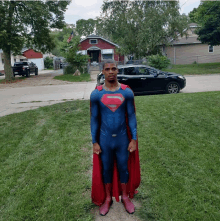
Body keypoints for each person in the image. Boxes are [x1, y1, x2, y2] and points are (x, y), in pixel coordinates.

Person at [90, 59, 140, 216]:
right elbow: (94, 119)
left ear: (117, 70)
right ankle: (107, 198)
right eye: (107, 69)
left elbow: (131, 116)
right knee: (106, 169)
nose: (111, 71)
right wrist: (94, 142)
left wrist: (134, 139)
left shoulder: (126, 92)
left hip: (122, 139)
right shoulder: (96, 94)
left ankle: (125, 197)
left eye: (114, 68)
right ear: (103, 72)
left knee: (124, 167)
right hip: (105, 140)